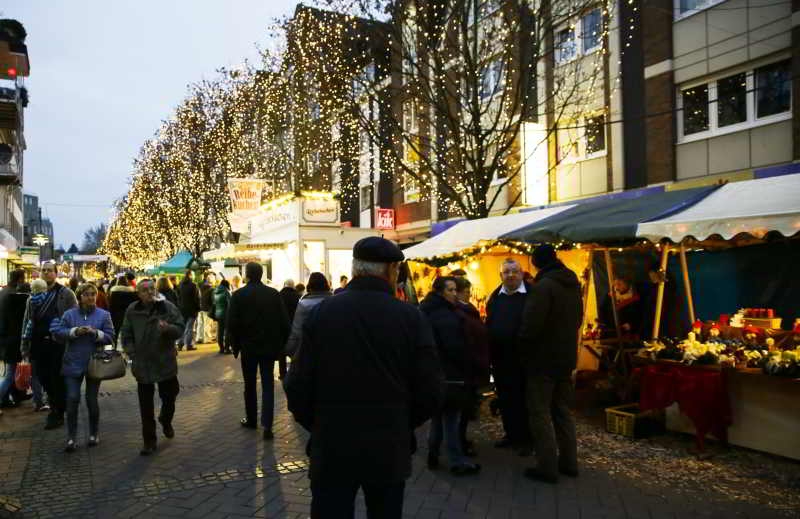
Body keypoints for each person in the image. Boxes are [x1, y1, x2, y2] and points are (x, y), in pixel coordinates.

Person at [285, 237, 443, 519]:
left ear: (355, 268)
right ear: (391, 270)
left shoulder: (323, 314)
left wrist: (318, 423)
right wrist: (402, 422)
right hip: (388, 446)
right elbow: (430, 388)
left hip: (333, 443)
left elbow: (297, 383)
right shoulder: (410, 318)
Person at [518, 244, 583, 483]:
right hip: (565, 357)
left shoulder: (544, 287)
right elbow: (578, 320)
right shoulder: (572, 284)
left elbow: (531, 326)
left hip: (543, 359)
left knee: (540, 413)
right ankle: (569, 462)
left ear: (536, 262)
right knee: (562, 411)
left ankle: (547, 466)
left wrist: (523, 347)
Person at [420, 276, 481, 476]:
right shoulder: (446, 316)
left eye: (456, 290)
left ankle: (433, 453)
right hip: (450, 375)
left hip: (433, 375)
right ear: (440, 292)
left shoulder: (426, 310)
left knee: (437, 417)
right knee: (451, 419)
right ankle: (456, 461)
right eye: (451, 290)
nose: (455, 294)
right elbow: (455, 348)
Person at [120, 279, 184, 456]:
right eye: (145, 290)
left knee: (170, 394)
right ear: (138, 293)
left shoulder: (167, 307)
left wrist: (168, 328)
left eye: (152, 289)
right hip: (143, 363)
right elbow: (126, 334)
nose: (149, 292)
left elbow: (180, 328)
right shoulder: (133, 310)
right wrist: (132, 353)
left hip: (164, 361)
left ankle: (166, 419)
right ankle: (149, 441)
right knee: (146, 405)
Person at [226, 262, 290, 439]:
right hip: (268, 347)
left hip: (248, 347)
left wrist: (235, 346)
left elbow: (232, 324)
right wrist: (281, 345)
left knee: (250, 384)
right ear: (261, 274)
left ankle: (252, 418)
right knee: (268, 384)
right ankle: (267, 425)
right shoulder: (273, 294)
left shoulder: (238, 295)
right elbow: (284, 322)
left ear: (247, 275)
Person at [50, 283, 114, 452]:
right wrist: (74, 332)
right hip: (72, 362)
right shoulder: (69, 314)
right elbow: (59, 334)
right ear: (80, 296)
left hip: (94, 363)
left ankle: (94, 433)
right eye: (86, 294)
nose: (91, 297)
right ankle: (71, 437)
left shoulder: (104, 315)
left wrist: (96, 333)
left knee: (91, 400)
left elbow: (110, 337)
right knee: (72, 399)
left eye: (93, 294)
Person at [21, 262, 78, 430]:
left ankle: (57, 412)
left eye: (49, 270)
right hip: (38, 342)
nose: (46, 273)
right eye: (43, 270)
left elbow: (74, 316)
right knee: (42, 376)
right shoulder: (33, 295)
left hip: (57, 343)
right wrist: (24, 345)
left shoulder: (65, 293)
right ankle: (58, 405)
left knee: (56, 378)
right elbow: (27, 320)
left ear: (55, 273)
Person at [485, 258, 533, 455]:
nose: (511, 275)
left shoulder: (532, 295)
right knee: (506, 399)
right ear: (501, 275)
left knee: (525, 400)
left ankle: (527, 439)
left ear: (522, 273)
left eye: (515, 271)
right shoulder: (496, 297)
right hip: (501, 359)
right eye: (507, 272)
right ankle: (511, 434)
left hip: (525, 360)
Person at [454, 276, 490, 458]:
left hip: (472, 365)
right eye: (467, 292)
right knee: (462, 410)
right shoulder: (461, 312)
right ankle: (458, 444)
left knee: (465, 410)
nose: (469, 295)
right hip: (468, 367)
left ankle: (459, 441)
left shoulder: (466, 310)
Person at [0, 270, 29, 416]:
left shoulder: (3, 292)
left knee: (9, 371)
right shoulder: (14, 295)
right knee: (10, 373)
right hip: (11, 338)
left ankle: (8, 398)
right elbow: (17, 320)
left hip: (4, 337)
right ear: (19, 279)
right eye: (23, 278)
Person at [285, 273, 332, 357]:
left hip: (309, 351)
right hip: (330, 350)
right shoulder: (334, 302)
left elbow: (297, 331)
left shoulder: (303, 304)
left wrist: (290, 349)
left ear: (310, 286)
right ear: (326, 285)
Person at [21, 279, 48, 412]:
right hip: (46, 340)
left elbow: (27, 321)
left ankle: (38, 401)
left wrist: (24, 345)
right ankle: (48, 399)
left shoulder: (30, 300)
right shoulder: (48, 299)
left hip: (33, 340)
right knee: (47, 372)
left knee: (35, 374)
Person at [278, 279, 300, 378]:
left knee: (281, 351)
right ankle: (294, 372)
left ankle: (282, 373)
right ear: (293, 285)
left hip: (282, 326)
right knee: (295, 350)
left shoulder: (279, 295)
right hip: (294, 325)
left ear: (284, 285)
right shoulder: (297, 296)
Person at [108, 276, 138, 343]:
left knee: (115, 332)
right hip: (128, 315)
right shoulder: (132, 293)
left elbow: (111, 306)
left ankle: (114, 345)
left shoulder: (113, 292)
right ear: (126, 282)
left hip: (115, 316)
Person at [177, 271, 200, 351]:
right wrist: (198, 308)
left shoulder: (180, 285)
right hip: (192, 309)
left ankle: (180, 344)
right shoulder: (193, 285)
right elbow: (196, 298)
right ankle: (189, 345)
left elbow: (178, 297)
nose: (194, 276)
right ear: (190, 275)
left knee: (182, 327)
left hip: (182, 309)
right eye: (193, 275)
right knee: (190, 328)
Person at [196, 272, 217, 345]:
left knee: (200, 324)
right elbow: (213, 300)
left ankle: (199, 338)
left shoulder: (201, 287)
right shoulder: (212, 289)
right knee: (207, 324)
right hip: (208, 308)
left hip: (200, 307)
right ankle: (207, 338)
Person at [213, 280, 232, 354]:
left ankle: (221, 348)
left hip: (218, 313)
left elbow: (214, 303)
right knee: (228, 331)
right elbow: (230, 303)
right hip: (226, 314)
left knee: (220, 331)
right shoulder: (226, 291)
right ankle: (227, 348)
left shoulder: (215, 291)